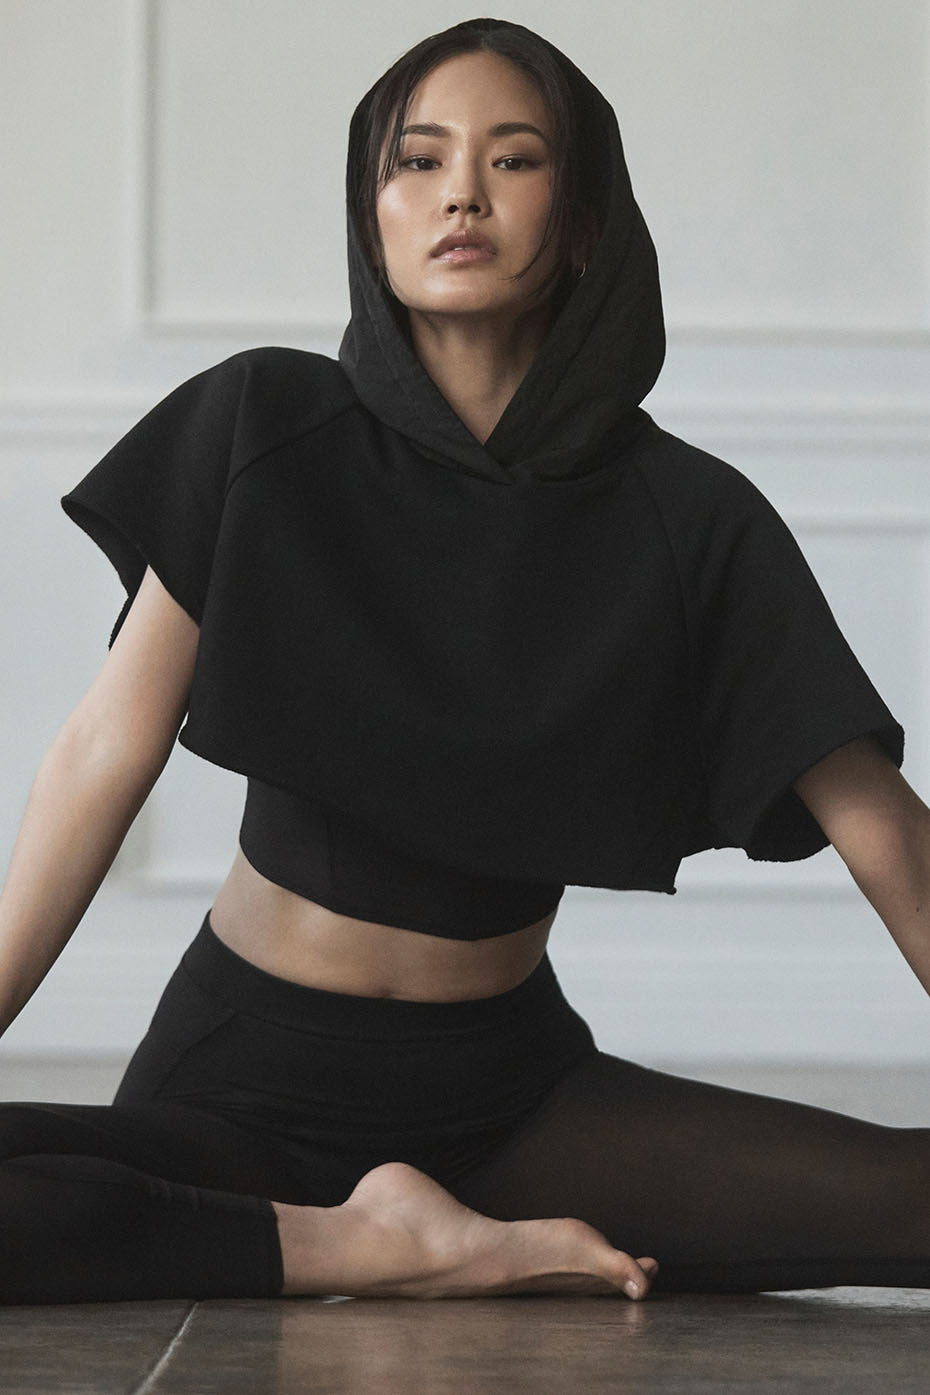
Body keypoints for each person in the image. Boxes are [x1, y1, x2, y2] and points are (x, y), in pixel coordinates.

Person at [1, 15, 928, 1306]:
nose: (461, 195)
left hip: (511, 1097)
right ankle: (368, 1243)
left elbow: (883, 831)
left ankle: (418, 1234)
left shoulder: (689, 521)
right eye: (417, 160)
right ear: (369, 213)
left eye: (514, 159)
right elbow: (105, 748)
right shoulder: (262, 425)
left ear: (585, 222)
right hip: (242, 1081)